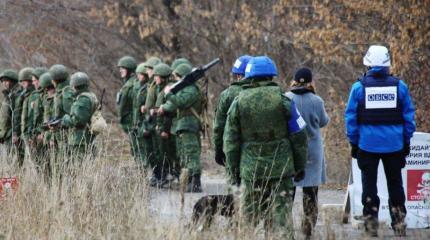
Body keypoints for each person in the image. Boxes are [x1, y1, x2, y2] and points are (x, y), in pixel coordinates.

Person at [224, 56, 308, 238]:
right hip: (281, 170)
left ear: (249, 77)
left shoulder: (238, 103)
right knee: (282, 220)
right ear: (272, 76)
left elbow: (230, 141)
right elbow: (300, 135)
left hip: (250, 170)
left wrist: (233, 170)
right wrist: (299, 166)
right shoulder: (284, 101)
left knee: (248, 220)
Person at [345, 45, 416, 237]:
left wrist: (354, 142)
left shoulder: (359, 87)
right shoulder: (400, 86)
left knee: (369, 187)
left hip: (367, 146)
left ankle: (371, 228)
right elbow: (409, 117)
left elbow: (350, 118)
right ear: (387, 64)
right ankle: (399, 225)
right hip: (394, 145)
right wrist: (406, 141)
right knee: (395, 185)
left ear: (367, 64)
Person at [286, 67, 329, 238]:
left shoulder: (287, 98)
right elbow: (323, 121)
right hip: (312, 150)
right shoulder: (317, 100)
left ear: (294, 81)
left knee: (288, 192)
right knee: (310, 193)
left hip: (292, 150)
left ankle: (286, 228)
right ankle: (308, 230)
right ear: (311, 81)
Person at [159, 63, 203, 192]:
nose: (176, 80)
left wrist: (168, 94)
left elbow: (181, 103)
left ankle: (196, 183)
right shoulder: (186, 89)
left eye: (177, 77)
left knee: (191, 154)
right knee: (185, 154)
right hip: (184, 125)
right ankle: (190, 180)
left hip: (189, 125)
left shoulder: (191, 90)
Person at [212, 55, 252, 166]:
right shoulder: (269, 92)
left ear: (239, 75)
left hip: (234, 149)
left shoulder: (228, 94)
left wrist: (218, 150)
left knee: (236, 182)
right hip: (262, 150)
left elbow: (218, 126)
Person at [61, 72, 98, 165]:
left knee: (77, 168)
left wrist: (65, 119)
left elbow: (78, 121)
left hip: (80, 140)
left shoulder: (83, 99)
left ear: (75, 86)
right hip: (85, 138)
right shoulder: (90, 95)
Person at [116, 56, 138, 161]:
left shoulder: (130, 85)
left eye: (123, 68)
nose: (120, 70)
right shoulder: (131, 83)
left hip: (133, 123)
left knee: (137, 149)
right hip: (133, 123)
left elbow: (125, 107)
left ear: (129, 69)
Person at [49, 64, 74, 152]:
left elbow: (71, 116)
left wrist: (60, 123)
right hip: (61, 135)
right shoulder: (60, 92)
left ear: (54, 80)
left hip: (66, 136)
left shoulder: (66, 92)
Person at [0, 69, 22, 159]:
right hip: (6, 135)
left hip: (12, 135)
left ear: (13, 81)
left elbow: (16, 116)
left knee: (15, 159)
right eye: (3, 81)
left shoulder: (16, 95)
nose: (4, 83)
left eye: (6, 81)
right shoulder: (7, 96)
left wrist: (14, 134)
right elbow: (4, 117)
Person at [15, 67, 35, 165]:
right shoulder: (24, 95)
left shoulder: (33, 95)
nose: (22, 84)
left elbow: (32, 116)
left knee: (36, 161)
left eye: (24, 82)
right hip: (25, 132)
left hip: (31, 133)